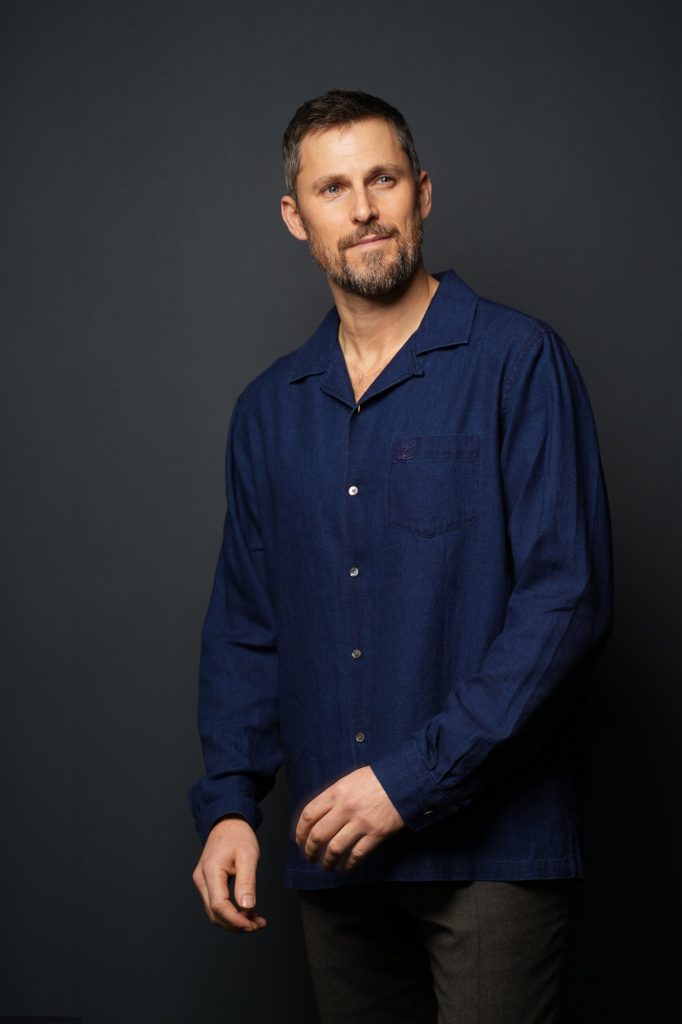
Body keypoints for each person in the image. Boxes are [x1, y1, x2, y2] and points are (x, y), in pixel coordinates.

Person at [188, 89, 613, 1024]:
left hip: (494, 857)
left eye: (382, 180)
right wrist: (229, 805)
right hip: (337, 859)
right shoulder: (268, 411)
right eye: (333, 188)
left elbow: (567, 604)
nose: (364, 209)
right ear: (297, 217)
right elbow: (246, 624)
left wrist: (408, 783)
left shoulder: (518, 362)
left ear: (422, 192)